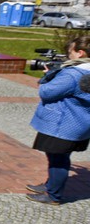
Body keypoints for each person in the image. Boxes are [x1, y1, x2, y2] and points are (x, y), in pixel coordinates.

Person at [27, 35, 90, 205]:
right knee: (60, 158)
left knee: (58, 160)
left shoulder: (73, 74)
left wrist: (48, 76)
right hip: (79, 123)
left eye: (70, 52)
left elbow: (46, 92)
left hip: (62, 125)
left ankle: (53, 195)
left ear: (80, 52)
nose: (69, 55)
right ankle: (50, 184)